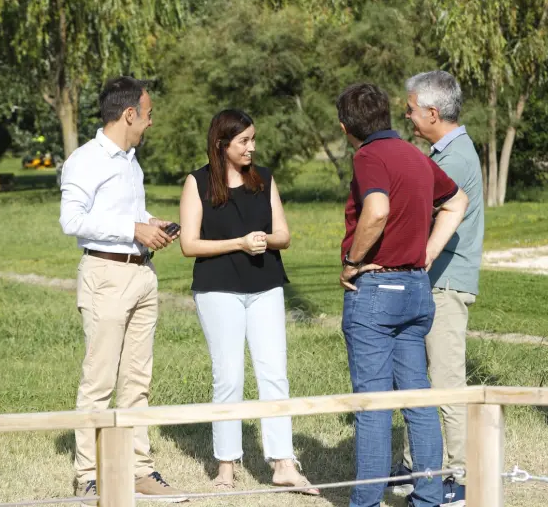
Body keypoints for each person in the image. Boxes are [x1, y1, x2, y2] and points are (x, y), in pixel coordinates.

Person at [335, 82, 468, 507]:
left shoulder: (368, 156)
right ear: (389, 116)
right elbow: (456, 200)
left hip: (377, 289)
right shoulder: (416, 155)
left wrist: (354, 261)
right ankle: (429, 498)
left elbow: (376, 210)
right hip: (415, 289)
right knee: (418, 398)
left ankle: (366, 502)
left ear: (345, 127)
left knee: (374, 403)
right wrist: (427, 252)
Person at [59, 76, 186, 503]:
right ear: (129, 113)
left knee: (137, 381)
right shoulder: (85, 160)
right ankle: (89, 475)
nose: (150, 123)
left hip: (141, 276)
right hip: (106, 276)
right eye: (148, 115)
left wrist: (149, 223)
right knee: (99, 380)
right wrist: (132, 228)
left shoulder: (132, 161)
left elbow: (125, 213)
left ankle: (138, 469)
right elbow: (72, 221)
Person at [178, 109, 319, 495]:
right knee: (229, 376)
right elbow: (189, 244)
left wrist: (264, 239)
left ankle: (283, 463)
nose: (251, 147)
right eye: (244, 141)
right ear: (222, 144)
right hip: (217, 288)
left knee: (274, 372)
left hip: (266, 285)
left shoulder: (264, 179)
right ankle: (226, 465)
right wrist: (238, 243)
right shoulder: (198, 182)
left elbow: (284, 235)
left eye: (253, 139)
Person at [389, 71, 485, 504]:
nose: (406, 116)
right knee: (422, 380)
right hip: (434, 281)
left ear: (431, 112)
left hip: (444, 285)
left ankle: (457, 479)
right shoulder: (447, 151)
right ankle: (418, 466)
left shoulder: (454, 159)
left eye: (410, 109)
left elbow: (415, 213)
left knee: (446, 384)